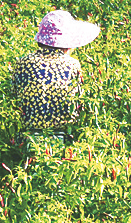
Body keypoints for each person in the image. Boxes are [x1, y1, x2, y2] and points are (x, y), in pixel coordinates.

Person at [10, 9, 98, 140]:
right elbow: (78, 105)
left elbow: (13, 100)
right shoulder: (72, 65)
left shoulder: (22, 63)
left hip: (25, 138)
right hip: (63, 138)